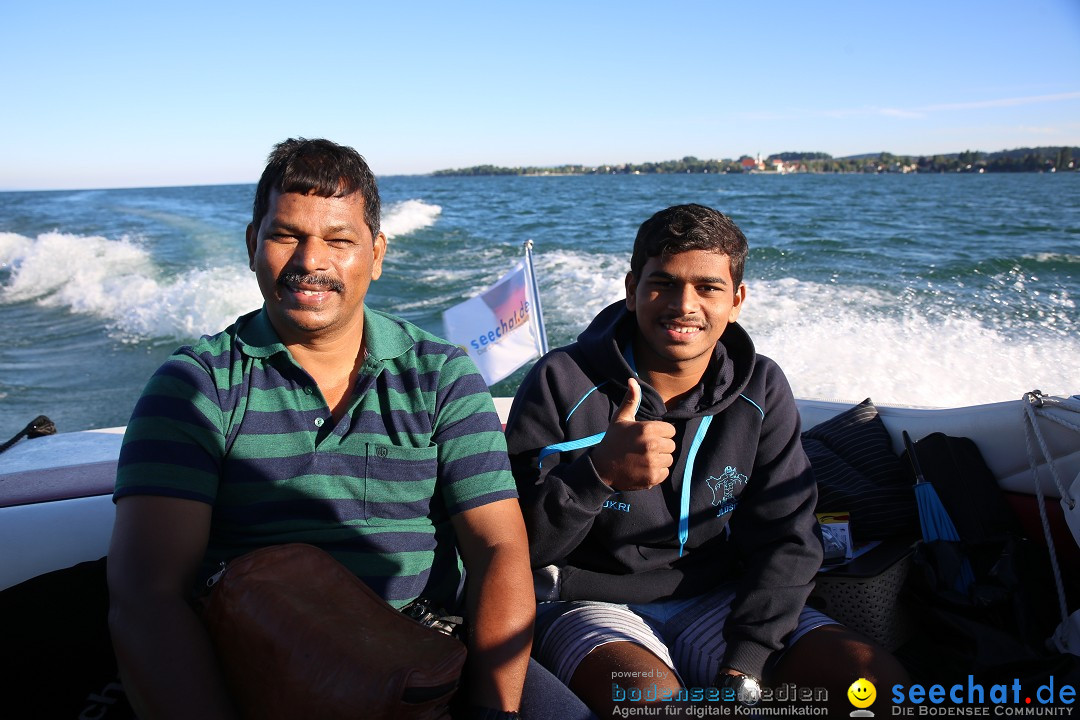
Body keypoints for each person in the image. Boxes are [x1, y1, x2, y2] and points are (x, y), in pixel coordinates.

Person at [107, 138, 545, 720]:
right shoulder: (195, 389)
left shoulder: (440, 375)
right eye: (286, 235)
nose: (311, 261)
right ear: (252, 243)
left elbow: (499, 549)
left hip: (424, 670)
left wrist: (493, 712)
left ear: (378, 253)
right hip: (258, 676)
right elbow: (148, 598)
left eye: (339, 241)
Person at [504, 204, 907, 715]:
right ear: (631, 289)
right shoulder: (562, 380)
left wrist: (746, 663)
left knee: (878, 685)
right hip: (585, 602)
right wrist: (598, 474)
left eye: (708, 288)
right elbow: (512, 548)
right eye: (663, 284)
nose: (683, 304)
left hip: (716, 596)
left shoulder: (760, 387)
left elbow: (787, 536)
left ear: (736, 300)